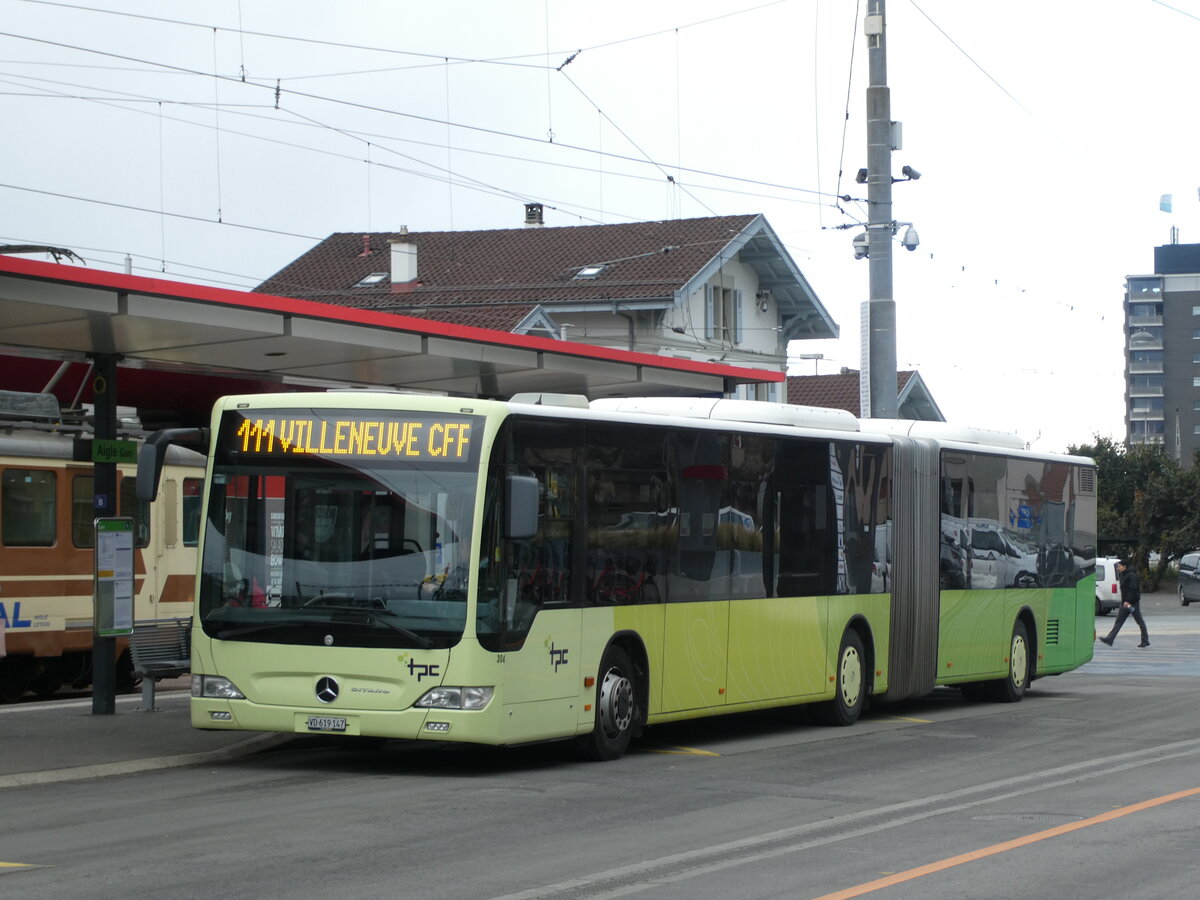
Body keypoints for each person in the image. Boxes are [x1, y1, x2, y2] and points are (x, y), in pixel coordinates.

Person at [1099, 558, 1150, 648]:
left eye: (1119, 566)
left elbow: (1133, 590)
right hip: (1125, 603)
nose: (1118, 568)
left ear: (1124, 567)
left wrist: (1128, 601)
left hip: (1131, 603)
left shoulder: (1131, 575)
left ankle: (1145, 640)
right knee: (1119, 621)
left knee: (1139, 621)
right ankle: (1110, 639)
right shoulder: (1123, 574)